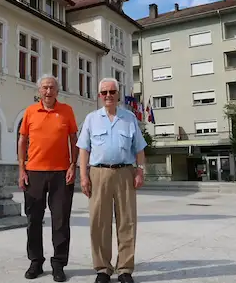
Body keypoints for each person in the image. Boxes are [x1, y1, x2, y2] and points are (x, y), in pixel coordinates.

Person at [76, 77, 147, 283]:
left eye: (112, 92)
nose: (108, 95)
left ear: (118, 94)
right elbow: (83, 149)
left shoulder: (129, 118)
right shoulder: (91, 119)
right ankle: (102, 269)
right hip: (98, 174)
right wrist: (83, 176)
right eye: (104, 92)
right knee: (99, 222)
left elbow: (139, 149)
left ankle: (125, 269)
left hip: (125, 173)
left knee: (127, 221)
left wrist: (140, 171)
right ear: (99, 96)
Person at [18, 74, 79, 282]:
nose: (48, 91)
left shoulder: (67, 111)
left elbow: (74, 139)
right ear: (39, 91)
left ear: (57, 91)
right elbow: (22, 140)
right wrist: (22, 169)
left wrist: (73, 165)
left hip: (61, 173)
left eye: (52, 87)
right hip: (34, 172)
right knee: (33, 219)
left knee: (60, 220)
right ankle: (35, 261)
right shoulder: (30, 112)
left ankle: (59, 264)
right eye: (44, 87)